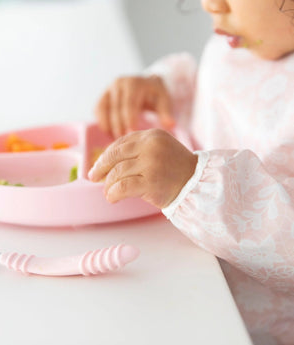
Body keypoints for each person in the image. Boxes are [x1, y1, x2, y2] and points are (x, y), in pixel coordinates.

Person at [88, 0, 294, 344]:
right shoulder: (242, 41)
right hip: (197, 293)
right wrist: (164, 95)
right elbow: (221, 112)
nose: (210, 4)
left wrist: (193, 183)